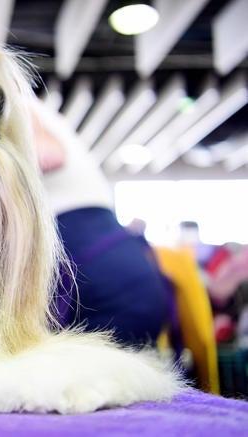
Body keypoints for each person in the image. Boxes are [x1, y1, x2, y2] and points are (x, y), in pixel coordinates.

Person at [32, 98, 171, 347]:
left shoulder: (14, 99)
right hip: (116, 264)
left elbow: (51, 155)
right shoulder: (44, 112)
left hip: (97, 272)